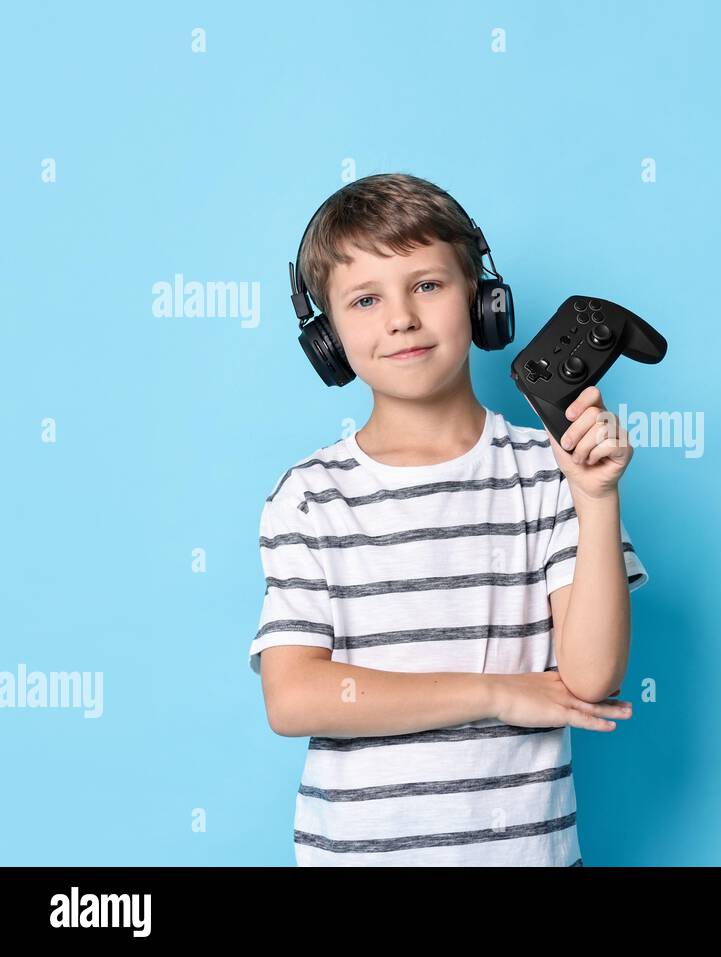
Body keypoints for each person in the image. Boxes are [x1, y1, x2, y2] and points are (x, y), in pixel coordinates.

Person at [248, 172, 649, 865]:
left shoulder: (545, 472)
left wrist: (595, 495)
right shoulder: (309, 495)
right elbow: (294, 695)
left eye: (427, 285)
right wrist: (496, 693)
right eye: (365, 299)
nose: (401, 317)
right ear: (328, 339)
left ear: (483, 300)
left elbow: (592, 679)